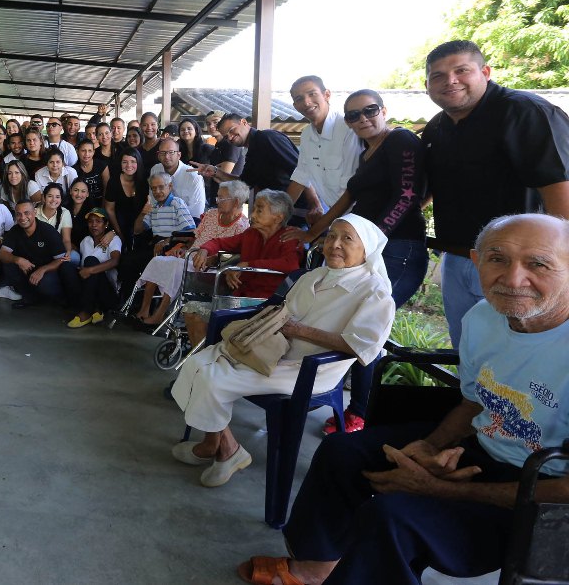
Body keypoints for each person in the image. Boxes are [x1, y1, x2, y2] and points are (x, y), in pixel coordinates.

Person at [244, 213, 569, 585]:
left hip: (545, 497)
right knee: (341, 453)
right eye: (497, 259)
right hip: (481, 449)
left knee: (392, 517)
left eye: (538, 264)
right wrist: (429, 448)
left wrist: (443, 490)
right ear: (476, 261)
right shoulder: (483, 318)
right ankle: (312, 569)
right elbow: (474, 403)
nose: (512, 279)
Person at [171, 215, 394, 492]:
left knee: (212, 377)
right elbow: (283, 310)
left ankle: (227, 449)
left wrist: (299, 330)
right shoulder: (314, 275)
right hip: (274, 350)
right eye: (331, 236)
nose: (335, 244)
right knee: (197, 362)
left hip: (310, 368)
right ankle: (216, 442)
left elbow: (362, 346)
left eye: (347, 238)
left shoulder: (375, 292)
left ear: (366, 249)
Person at [422, 40, 569, 347]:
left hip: (520, 266)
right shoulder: (436, 128)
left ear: (485, 73)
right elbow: (427, 189)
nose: (450, 81)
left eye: (461, 70)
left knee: (521, 351)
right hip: (458, 257)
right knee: (467, 348)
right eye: (438, 76)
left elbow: (560, 188)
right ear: (428, 86)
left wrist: (558, 263)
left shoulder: (525, 112)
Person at [282, 89, 428, 309]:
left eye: (370, 110)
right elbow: (348, 199)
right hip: (368, 247)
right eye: (353, 115)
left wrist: (370, 240)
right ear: (348, 123)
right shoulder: (365, 154)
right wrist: (319, 233)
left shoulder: (400, 139)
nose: (363, 118)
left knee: (372, 313)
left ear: (383, 111)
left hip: (397, 245)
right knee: (344, 313)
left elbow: (406, 197)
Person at [181, 190, 303, 348]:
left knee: (197, 312)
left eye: (259, 210)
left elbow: (291, 264)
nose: (253, 215)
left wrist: (247, 265)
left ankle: (212, 356)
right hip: (240, 298)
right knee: (191, 311)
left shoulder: (289, 237)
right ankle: (205, 358)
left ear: (278, 217)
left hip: (267, 305)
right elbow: (219, 242)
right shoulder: (251, 234)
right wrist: (204, 250)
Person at [134, 180, 251, 326]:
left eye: (222, 198)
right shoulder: (211, 214)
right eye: (217, 197)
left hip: (209, 268)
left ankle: (159, 315)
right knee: (158, 260)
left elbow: (234, 256)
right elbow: (195, 237)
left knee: (178, 268)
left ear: (236, 202)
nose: (217, 201)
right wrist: (184, 247)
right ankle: (144, 310)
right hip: (190, 256)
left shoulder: (242, 227)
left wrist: (212, 259)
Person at [193, 113, 308, 226]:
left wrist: (314, 204)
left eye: (231, 130)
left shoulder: (267, 137)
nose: (230, 137)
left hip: (296, 211)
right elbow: (244, 182)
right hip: (276, 213)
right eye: (226, 137)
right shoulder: (251, 150)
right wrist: (215, 171)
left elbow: (302, 171)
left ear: (244, 122)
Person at [285, 76, 362, 225]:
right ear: (295, 106)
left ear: (326, 94)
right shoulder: (307, 134)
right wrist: (279, 216)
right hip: (337, 216)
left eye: (312, 94)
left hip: (361, 216)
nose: (306, 102)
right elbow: (301, 176)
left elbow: (350, 191)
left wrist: (314, 232)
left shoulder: (348, 129)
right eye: (299, 99)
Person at [120, 173, 197, 295]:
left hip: (172, 245)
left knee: (130, 261)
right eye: (154, 188)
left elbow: (191, 232)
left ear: (170, 186)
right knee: (126, 259)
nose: (157, 191)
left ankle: (132, 300)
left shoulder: (177, 203)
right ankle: (129, 299)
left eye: (161, 187)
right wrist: (143, 213)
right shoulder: (154, 206)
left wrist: (167, 241)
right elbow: (137, 230)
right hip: (156, 244)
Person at [0, 200, 81, 309]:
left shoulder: (48, 231)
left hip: (49, 269)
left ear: (34, 212)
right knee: (8, 263)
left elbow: (62, 259)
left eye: (26, 213)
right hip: (28, 267)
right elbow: (2, 254)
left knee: (45, 284)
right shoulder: (15, 230)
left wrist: (43, 269)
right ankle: (29, 297)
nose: (22, 217)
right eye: (18, 214)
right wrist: (18, 260)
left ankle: (62, 299)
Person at [67, 208, 122, 328]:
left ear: (106, 224)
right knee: (69, 267)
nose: (94, 225)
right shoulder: (85, 241)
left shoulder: (113, 239)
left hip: (106, 291)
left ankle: (86, 312)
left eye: (98, 221)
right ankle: (96, 309)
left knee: (91, 261)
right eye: (90, 221)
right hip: (89, 290)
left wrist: (90, 270)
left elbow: (115, 261)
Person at [150, 137, 206, 222]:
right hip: (160, 221)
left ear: (179, 155)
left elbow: (197, 211)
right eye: (163, 153)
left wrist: (170, 218)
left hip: (187, 223)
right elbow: (153, 201)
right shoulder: (155, 170)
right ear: (158, 155)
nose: (166, 156)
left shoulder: (194, 176)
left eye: (171, 152)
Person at [104, 152, 147, 252]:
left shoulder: (144, 181)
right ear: (120, 164)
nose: (129, 165)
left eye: (133, 161)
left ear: (138, 163)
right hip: (119, 224)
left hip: (140, 223)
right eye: (125, 162)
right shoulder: (113, 182)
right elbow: (109, 209)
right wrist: (118, 233)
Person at [36, 183, 77, 265]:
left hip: (57, 250)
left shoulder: (65, 212)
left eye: (57, 197)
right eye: (50, 196)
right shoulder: (35, 212)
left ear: (61, 199)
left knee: (75, 257)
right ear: (44, 197)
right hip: (38, 249)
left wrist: (68, 252)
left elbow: (66, 239)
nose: (54, 200)